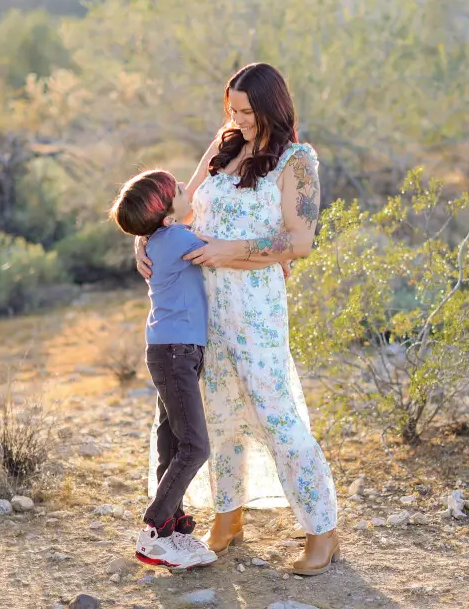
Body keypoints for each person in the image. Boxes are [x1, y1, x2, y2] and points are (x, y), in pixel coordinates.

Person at [137, 62, 340, 575]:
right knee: (218, 417)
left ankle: (322, 528)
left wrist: (234, 249)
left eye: (247, 111)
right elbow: (181, 206)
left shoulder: (296, 162)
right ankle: (228, 516)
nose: (237, 119)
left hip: (255, 310)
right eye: (232, 109)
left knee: (278, 418)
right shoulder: (225, 144)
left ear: (272, 106)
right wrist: (144, 239)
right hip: (200, 308)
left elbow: (300, 242)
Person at [109, 169, 218, 570]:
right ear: (167, 214)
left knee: (172, 442)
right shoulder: (176, 239)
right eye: (180, 189)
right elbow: (219, 250)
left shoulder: (160, 237)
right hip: (175, 353)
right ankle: (154, 531)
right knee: (195, 446)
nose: (188, 189)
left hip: (169, 350)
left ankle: (171, 531)